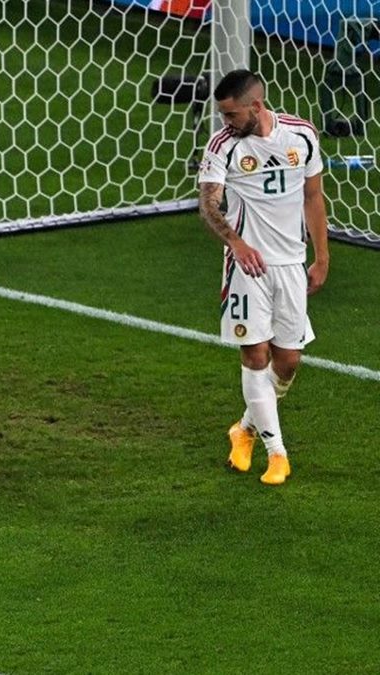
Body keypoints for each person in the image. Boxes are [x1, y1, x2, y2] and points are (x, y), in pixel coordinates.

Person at [197, 69, 329, 486]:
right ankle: (277, 455)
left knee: (287, 362)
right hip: (246, 266)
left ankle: (245, 429)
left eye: (231, 114)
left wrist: (321, 257)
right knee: (255, 355)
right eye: (222, 115)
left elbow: (313, 196)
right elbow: (208, 204)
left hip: (290, 264)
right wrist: (236, 243)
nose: (225, 122)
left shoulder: (301, 135)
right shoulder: (222, 145)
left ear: (256, 106)